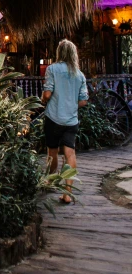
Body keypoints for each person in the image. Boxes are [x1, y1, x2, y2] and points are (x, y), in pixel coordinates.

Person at [41, 39, 88, 203]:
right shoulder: (79, 75)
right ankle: (68, 194)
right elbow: (83, 100)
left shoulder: (52, 69)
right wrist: (70, 103)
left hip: (54, 118)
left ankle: (50, 182)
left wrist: (43, 99)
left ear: (59, 53)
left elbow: (47, 94)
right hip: (71, 120)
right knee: (70, 154)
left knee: (52, 151)